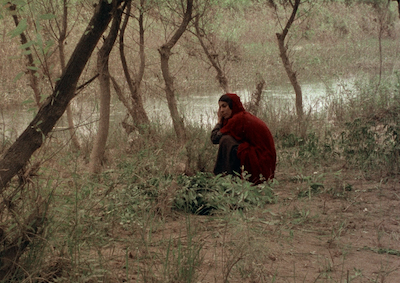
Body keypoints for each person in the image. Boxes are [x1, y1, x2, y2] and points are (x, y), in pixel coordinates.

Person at [210, 93, 276, 184]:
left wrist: (219, 121)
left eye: (224, 106)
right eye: (220, 107)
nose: (221, 110)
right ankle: (229, 177)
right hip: (263, 158)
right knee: (229, 141)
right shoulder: (239, 116)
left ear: (233, 106)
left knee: (225, 140)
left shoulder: (238, 119)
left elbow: (215, 138)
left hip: (262, 159)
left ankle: (227, 178)